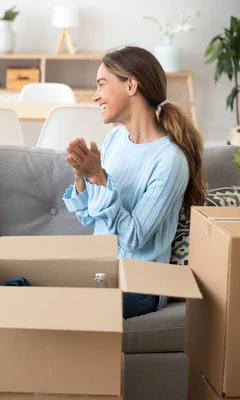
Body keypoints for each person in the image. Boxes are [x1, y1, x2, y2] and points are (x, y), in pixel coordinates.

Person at [62, 46, 206, 318]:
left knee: (68, 306)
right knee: (28, 288)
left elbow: (133, 238)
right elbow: (92, 218)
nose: (95, 96)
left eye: (102, 85)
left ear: (130, 85)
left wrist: (99, 178)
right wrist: (82, 178)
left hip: (140, 287)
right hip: (102, 274)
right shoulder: (116, 139)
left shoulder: (170, 160)